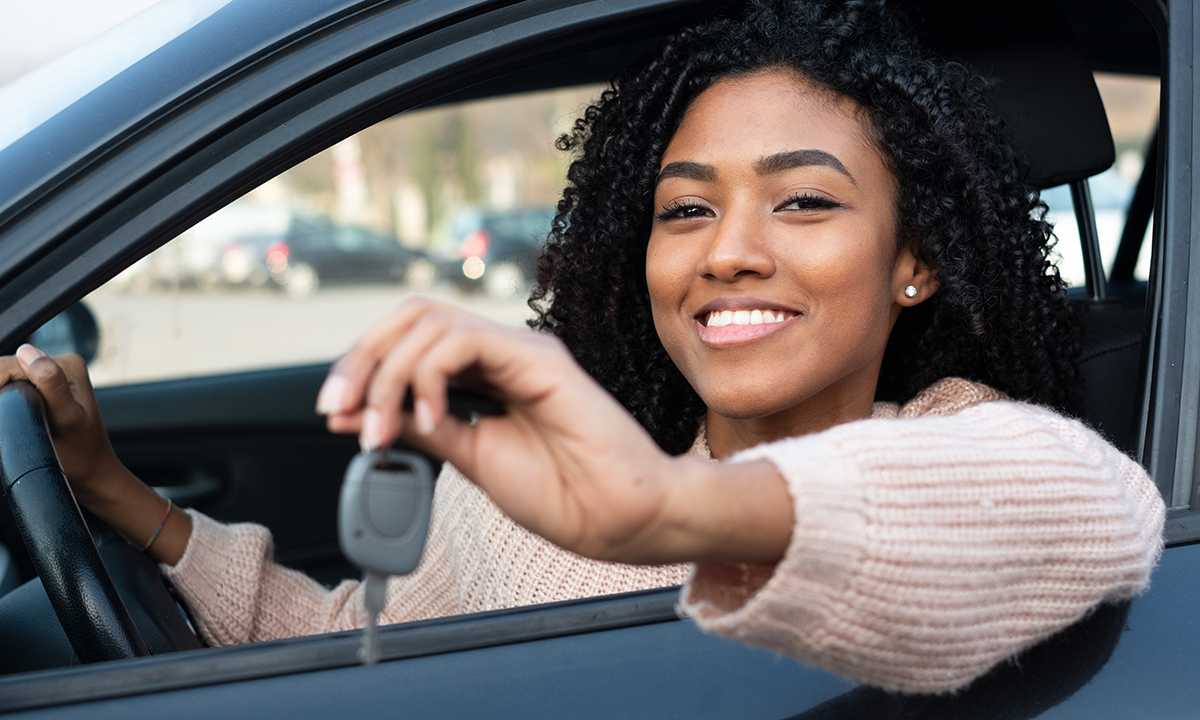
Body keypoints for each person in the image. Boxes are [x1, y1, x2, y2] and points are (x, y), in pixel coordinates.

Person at [0, 0, 1163, 695]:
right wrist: (118, 495)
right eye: (686, 209)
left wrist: (666, 514)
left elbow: (1091, 508)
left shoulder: (952, 444)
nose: (728, 254)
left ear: (915, 262)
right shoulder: (526, 483)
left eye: (804, 204)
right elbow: (351, 645)